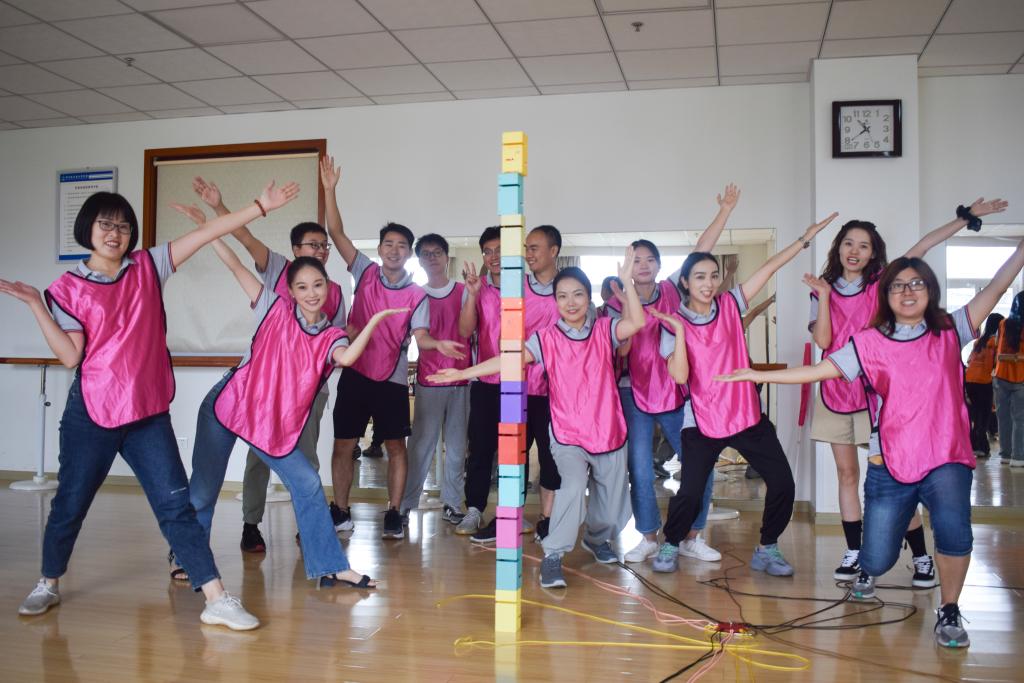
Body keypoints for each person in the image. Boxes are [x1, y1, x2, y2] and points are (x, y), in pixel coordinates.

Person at [2, 183, 300, 627]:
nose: (115, 233)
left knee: (176, 505)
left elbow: (207, 233)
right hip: (92, 413)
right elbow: (70, 356)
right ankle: (48, 582)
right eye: (106, 224)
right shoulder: (67, 288)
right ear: (88, 229)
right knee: (70, 502)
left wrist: (260, 206)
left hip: (146, 412)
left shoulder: (148, 266)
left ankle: (216, 597)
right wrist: (35, 304)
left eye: (123, 226)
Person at [718, 243, 1024, 648]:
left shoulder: (951, 330)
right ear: (887, 295)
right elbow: (819, 370)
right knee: (877, 557)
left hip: (947, 456)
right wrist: (759, 376)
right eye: (898, 285)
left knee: (954, 533)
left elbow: (997, 286)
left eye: (916, 283)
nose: (908, 291)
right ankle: (870, 567)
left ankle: (949, 608)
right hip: (891, 460)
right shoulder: (869, 343)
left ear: (930, 290)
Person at [180, 229, 401, 590]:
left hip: (268, 422)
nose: (311, 293)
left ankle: (331, 566)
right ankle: (187, 559)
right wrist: (209, 231)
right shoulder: (273, 308)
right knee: (204, 490)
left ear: (328, 288)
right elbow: (235, 265)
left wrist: (375, 321)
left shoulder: (332, 336)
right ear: (291, 291)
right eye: (302, 287)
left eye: (318, 285)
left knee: (308, 482)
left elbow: (346, 357)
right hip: (228, 405)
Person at [806, 197, 1007, 582]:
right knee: (846, 474)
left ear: (873, 253)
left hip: (878, 394)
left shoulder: (885, 283)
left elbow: (925, 245)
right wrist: (826, 297)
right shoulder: (821, 289)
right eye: (848, 243)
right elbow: (824, 341)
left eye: (864, 245)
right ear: (838, 248)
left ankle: (920, 555)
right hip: (835, 388)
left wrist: (965, 218)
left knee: (899, 473)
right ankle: (855, 553)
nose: (855, 251)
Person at [429, 250, 647, 588]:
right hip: (567, 433)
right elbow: (509, 359)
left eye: (577, 295)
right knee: (570, 487)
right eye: (562, 296)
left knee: (611, 507)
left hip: (609, 432)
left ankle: (595, 538)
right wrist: (463, 372)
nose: (570, 303)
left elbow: (637, 323)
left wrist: (628, 282)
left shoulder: (605, 330)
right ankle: (553, 554)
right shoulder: (546, 338)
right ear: (555, 302)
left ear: (588, 299)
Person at [651, 213, 839, 577]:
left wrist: (805, 238)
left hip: (744, 413)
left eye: (713, 275)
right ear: (685, 282)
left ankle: (768, 547)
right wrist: (682, 332)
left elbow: (769, 268)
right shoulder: (673, 324)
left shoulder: (730, 304)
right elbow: (681, 376)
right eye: (699, 277)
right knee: (690, 491)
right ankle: (672, 542)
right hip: (701, 419)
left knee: (782, 482)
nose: (708, 283)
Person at [189, 174, 347, 552]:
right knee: (257, 458)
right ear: (295, 249)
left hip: (307, 392)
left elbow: (334, 345)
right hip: (259, 386)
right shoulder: (277, 269)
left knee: (304, 461)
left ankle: (309, 528)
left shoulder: (336, 292)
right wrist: (217, 207)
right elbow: (242, 239)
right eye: (313, 244)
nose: (321, 250)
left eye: (325, 246)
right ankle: (251, 524)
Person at [320, 156, 465, 539]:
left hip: (393, 380)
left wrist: (438, 344)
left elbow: (421, 337)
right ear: (381, 248)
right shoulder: (365, 271)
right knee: (343, 445)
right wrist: (330, 190)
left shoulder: (417, 294)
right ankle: (341, 510)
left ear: (409, 254)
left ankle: (394, 513)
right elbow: (336, 232)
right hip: (355, 373)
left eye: (402, 246)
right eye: (389, 244)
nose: (395, 250)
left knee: (396, 447)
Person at [609, 184, 741, 564]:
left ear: (660, 265)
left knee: (700, 464)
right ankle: (648, 536)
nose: (643, 265)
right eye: (636, 260)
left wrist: (724, 211)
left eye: (649, 259)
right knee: (639, 468)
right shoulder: (618, 302)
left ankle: (691, 535)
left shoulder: (672, 290)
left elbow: (702, 248)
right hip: (633, 393)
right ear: (627, 267)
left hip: (677, 392)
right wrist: (627, 305)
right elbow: (621, 349)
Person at [458, 225, 564, 543]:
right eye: (487, 252)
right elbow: (466, 331)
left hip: (537, 385)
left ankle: (531, 515)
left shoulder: (534, 287)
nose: (494, 257)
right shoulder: (485, 287)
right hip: (494, 380)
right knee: (491, 450)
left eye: (501, 251)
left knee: (532, 452)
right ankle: (485, 511)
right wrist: (472, 295)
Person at [400, 234, 471, 523]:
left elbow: (470, 331)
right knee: (420, 446)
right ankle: (406, 504)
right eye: (426, 254)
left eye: (437, 252)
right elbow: (416, 336)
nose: (432, 258)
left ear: (446, 256)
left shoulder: (464, 291)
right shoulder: (415, 294)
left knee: (456, 447)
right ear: (419, 260)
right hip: (429, 380)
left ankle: (453, 503)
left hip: (462, 379)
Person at [994, 293, 1024, 466]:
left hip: (1001, 374)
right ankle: (1018, 457)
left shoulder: (1003, 324)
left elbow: (998, 346)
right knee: (1020, 419)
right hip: (1021, 375)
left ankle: (1005, 454)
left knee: (1003, 417)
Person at [965, 313, 1001, 458]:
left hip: (970, 381)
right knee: (984, 415)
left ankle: (973, 446)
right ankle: (982, 448)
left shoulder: (978, 341)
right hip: (983, 381)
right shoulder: (995, 343)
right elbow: (995, 364)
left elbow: (969, 361)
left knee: (975, 415)